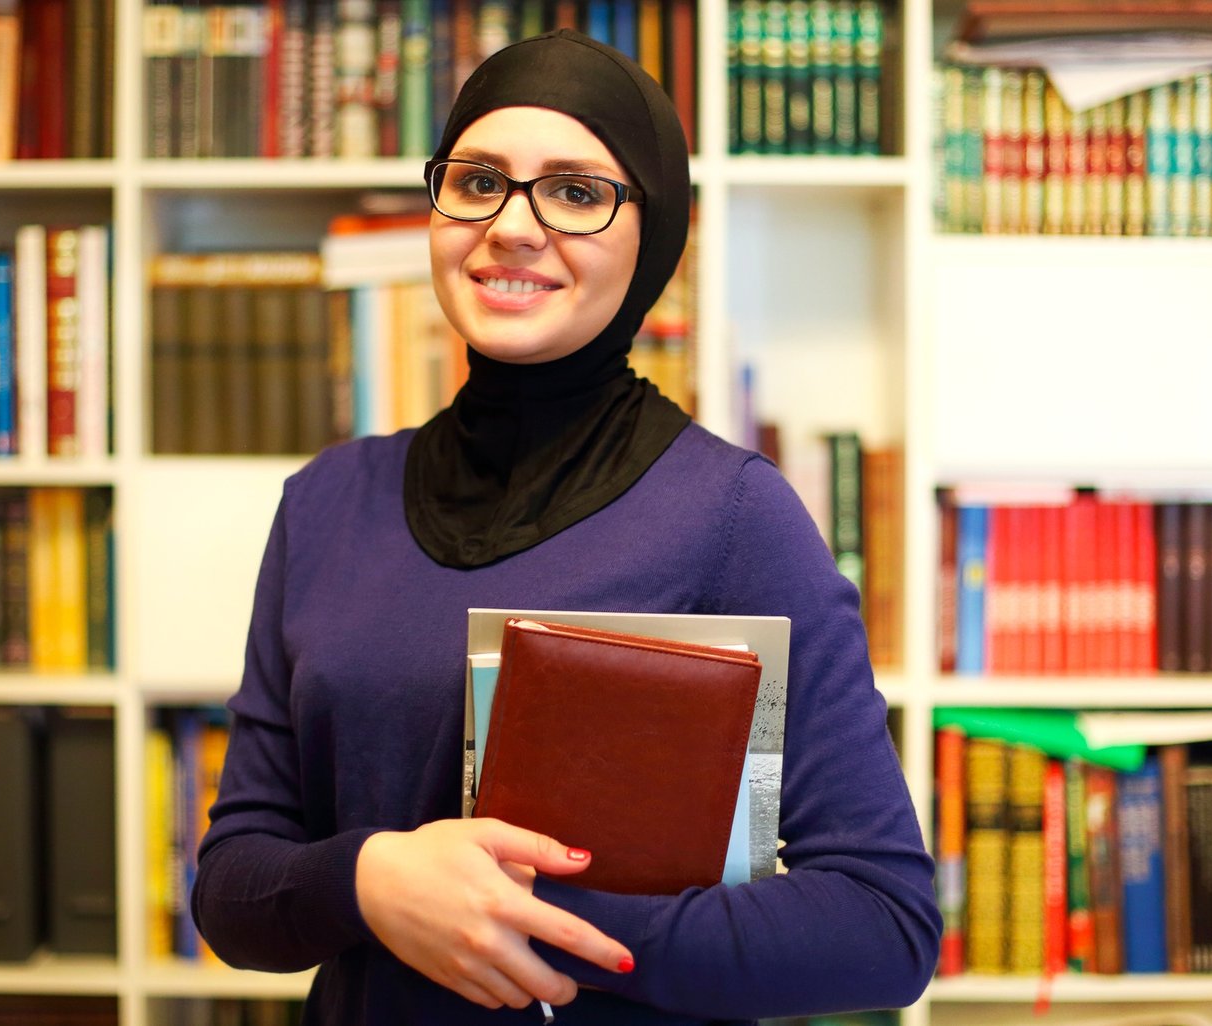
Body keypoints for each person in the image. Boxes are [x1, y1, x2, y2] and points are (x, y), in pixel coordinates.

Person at [192, 28, 941, 1024]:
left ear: (654, 238)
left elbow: (881, 926)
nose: (510, 225)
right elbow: (233, 889)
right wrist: (373, 881)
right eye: (479, 180)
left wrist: (523, 921)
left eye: (576, 192)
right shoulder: (325, 503)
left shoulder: (733, 516)